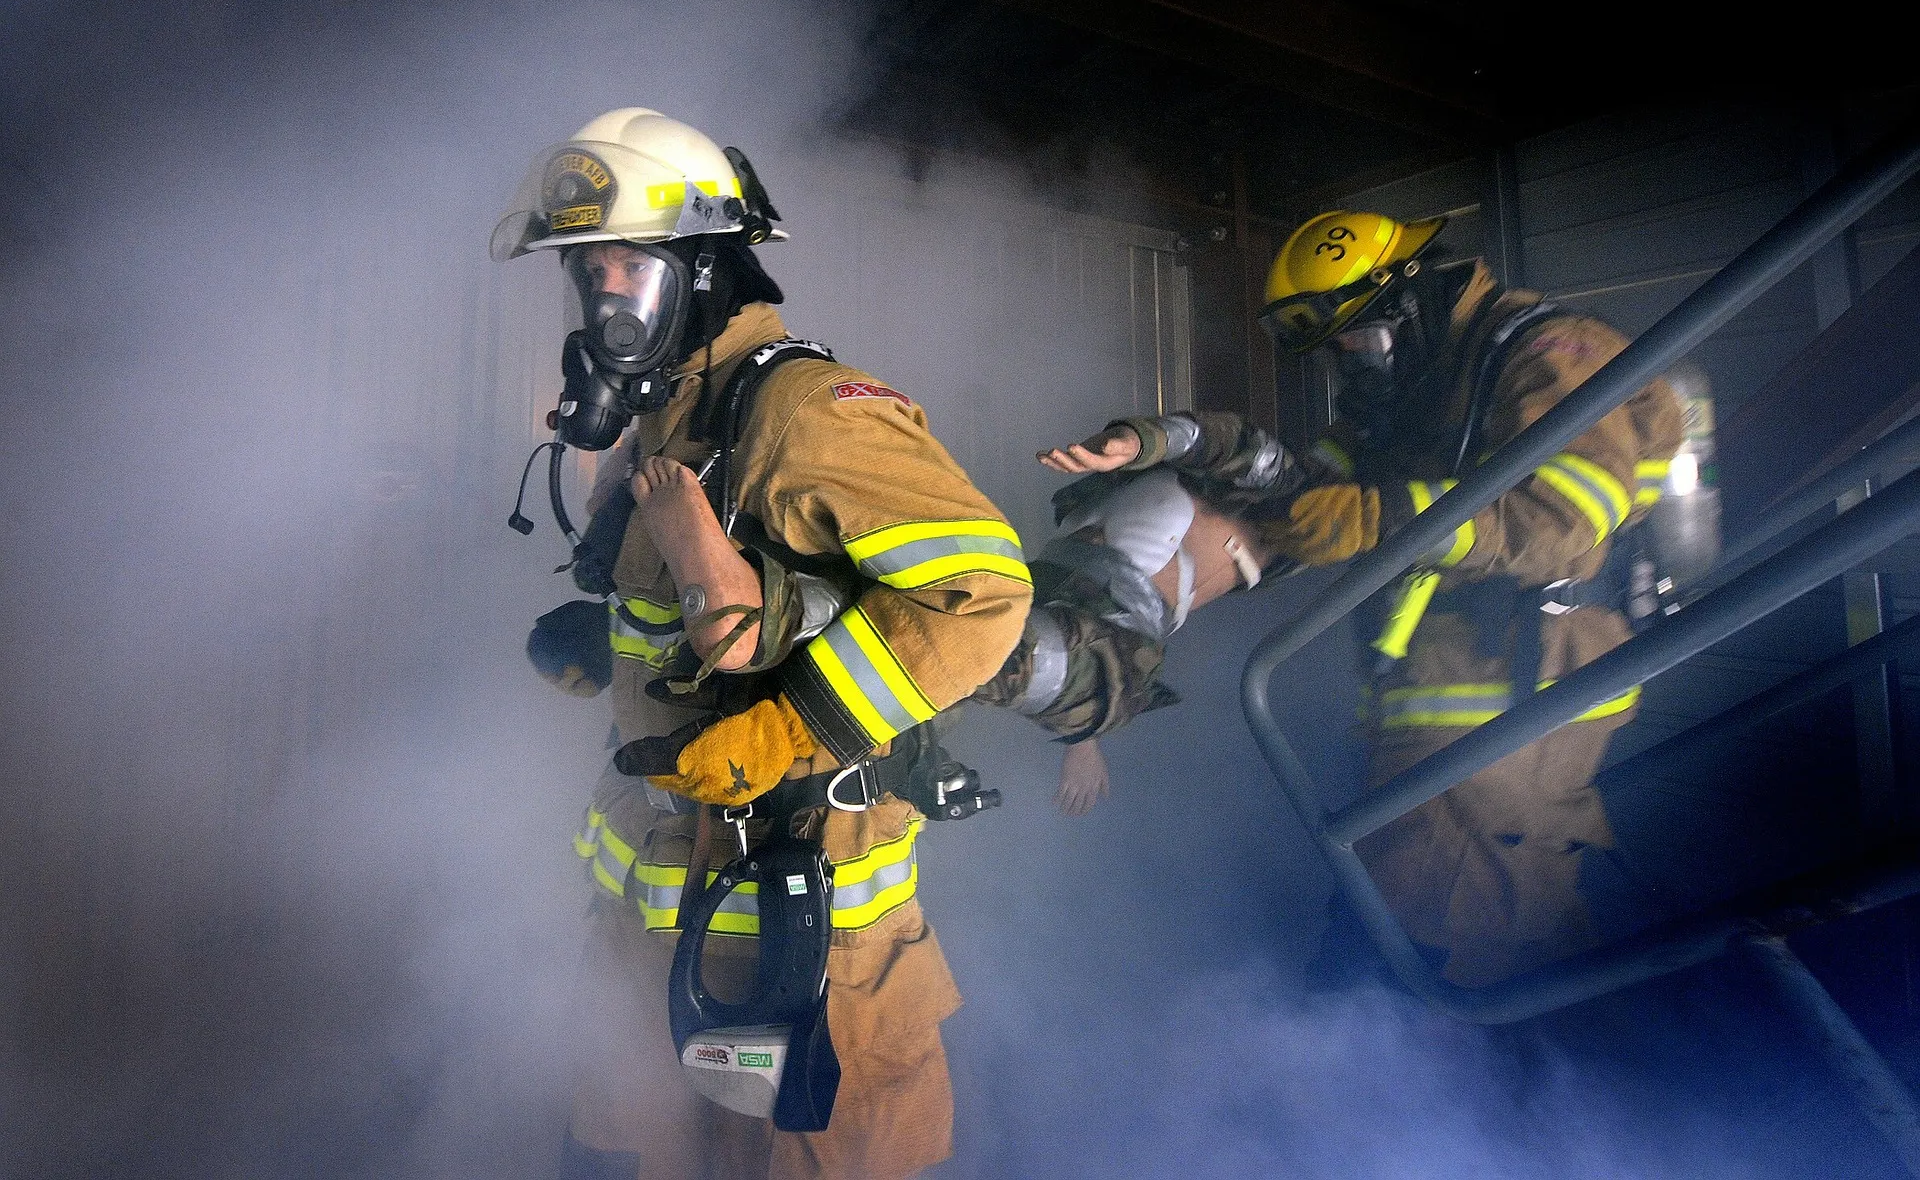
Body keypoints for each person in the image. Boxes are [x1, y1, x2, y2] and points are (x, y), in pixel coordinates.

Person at [498, 108, 1032, 1179]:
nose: (604, 303)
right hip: (664, 907)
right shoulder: (670, 425)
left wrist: (802, 720)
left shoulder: (806, 410)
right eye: (588, 277)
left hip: (811, 917)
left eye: (626, 272)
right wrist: (614, 653)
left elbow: (980, 595)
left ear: (702, 273)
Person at [1052, 212, 1684, 988]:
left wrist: (1371, 517)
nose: (1351, 361)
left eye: (1359, 337)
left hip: (1523, 671)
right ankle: (1473, 1056)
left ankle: (1479, 1075)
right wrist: (1164, 452)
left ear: (1409, 298)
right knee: (1442, 895)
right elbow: (1298, 498)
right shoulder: (1406, 392)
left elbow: (1561, 524)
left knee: (1461, 915)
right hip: (1438, 675)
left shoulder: (1555, 352)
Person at [970, 413, 1306, 814]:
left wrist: (1083, 736)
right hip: (1082, 598)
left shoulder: (1285, 553)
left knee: (968, 657)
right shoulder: (1284, 482)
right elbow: (1208, 439)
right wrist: (1139, 441)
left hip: (1078, 607)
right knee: (966, 650)